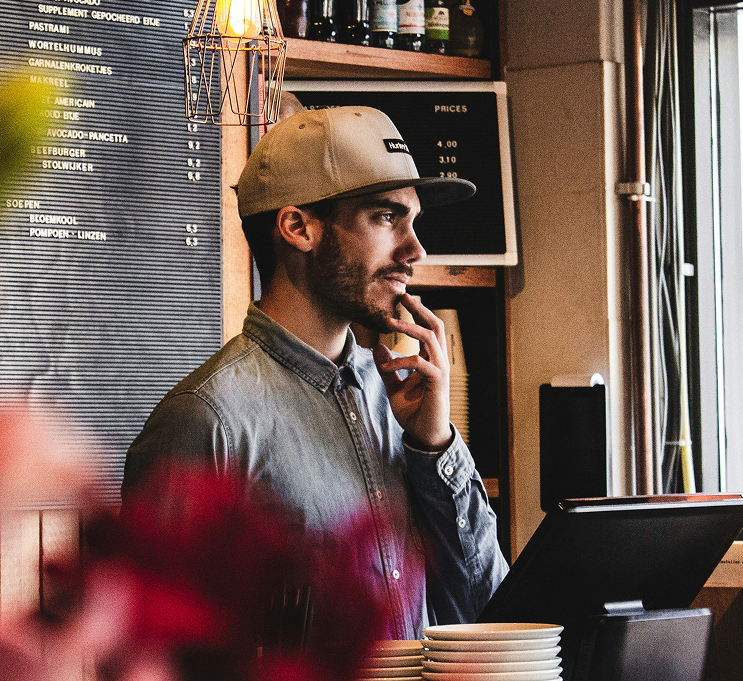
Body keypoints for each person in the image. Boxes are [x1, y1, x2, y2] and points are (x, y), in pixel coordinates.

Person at [123, 105, 508, 638]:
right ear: (298, 227)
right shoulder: (207, 421)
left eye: (413, 221)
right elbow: (160, 652)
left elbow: (489, 612)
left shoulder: (404, 401)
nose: (415, 249)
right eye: (386, 217)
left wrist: (435, 445)